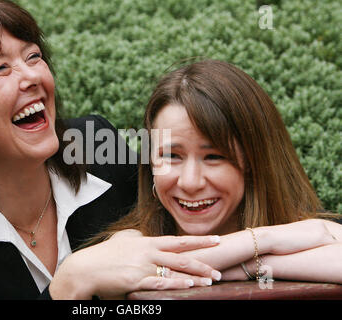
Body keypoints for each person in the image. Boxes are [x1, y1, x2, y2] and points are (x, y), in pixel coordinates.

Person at [0, 0, 224, 300]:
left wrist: (265, 241)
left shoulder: (95, 146)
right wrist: (69, 283)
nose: (31, 76)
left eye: (33, 56)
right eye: (0, 69)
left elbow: (189, 242)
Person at [89, 60, 342, 286]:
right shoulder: (128, 243)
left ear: (254, 162)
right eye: (171, 156)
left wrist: (254, 261)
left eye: (214, 157)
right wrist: (260, 243)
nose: (190, 182)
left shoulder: (306, 230)